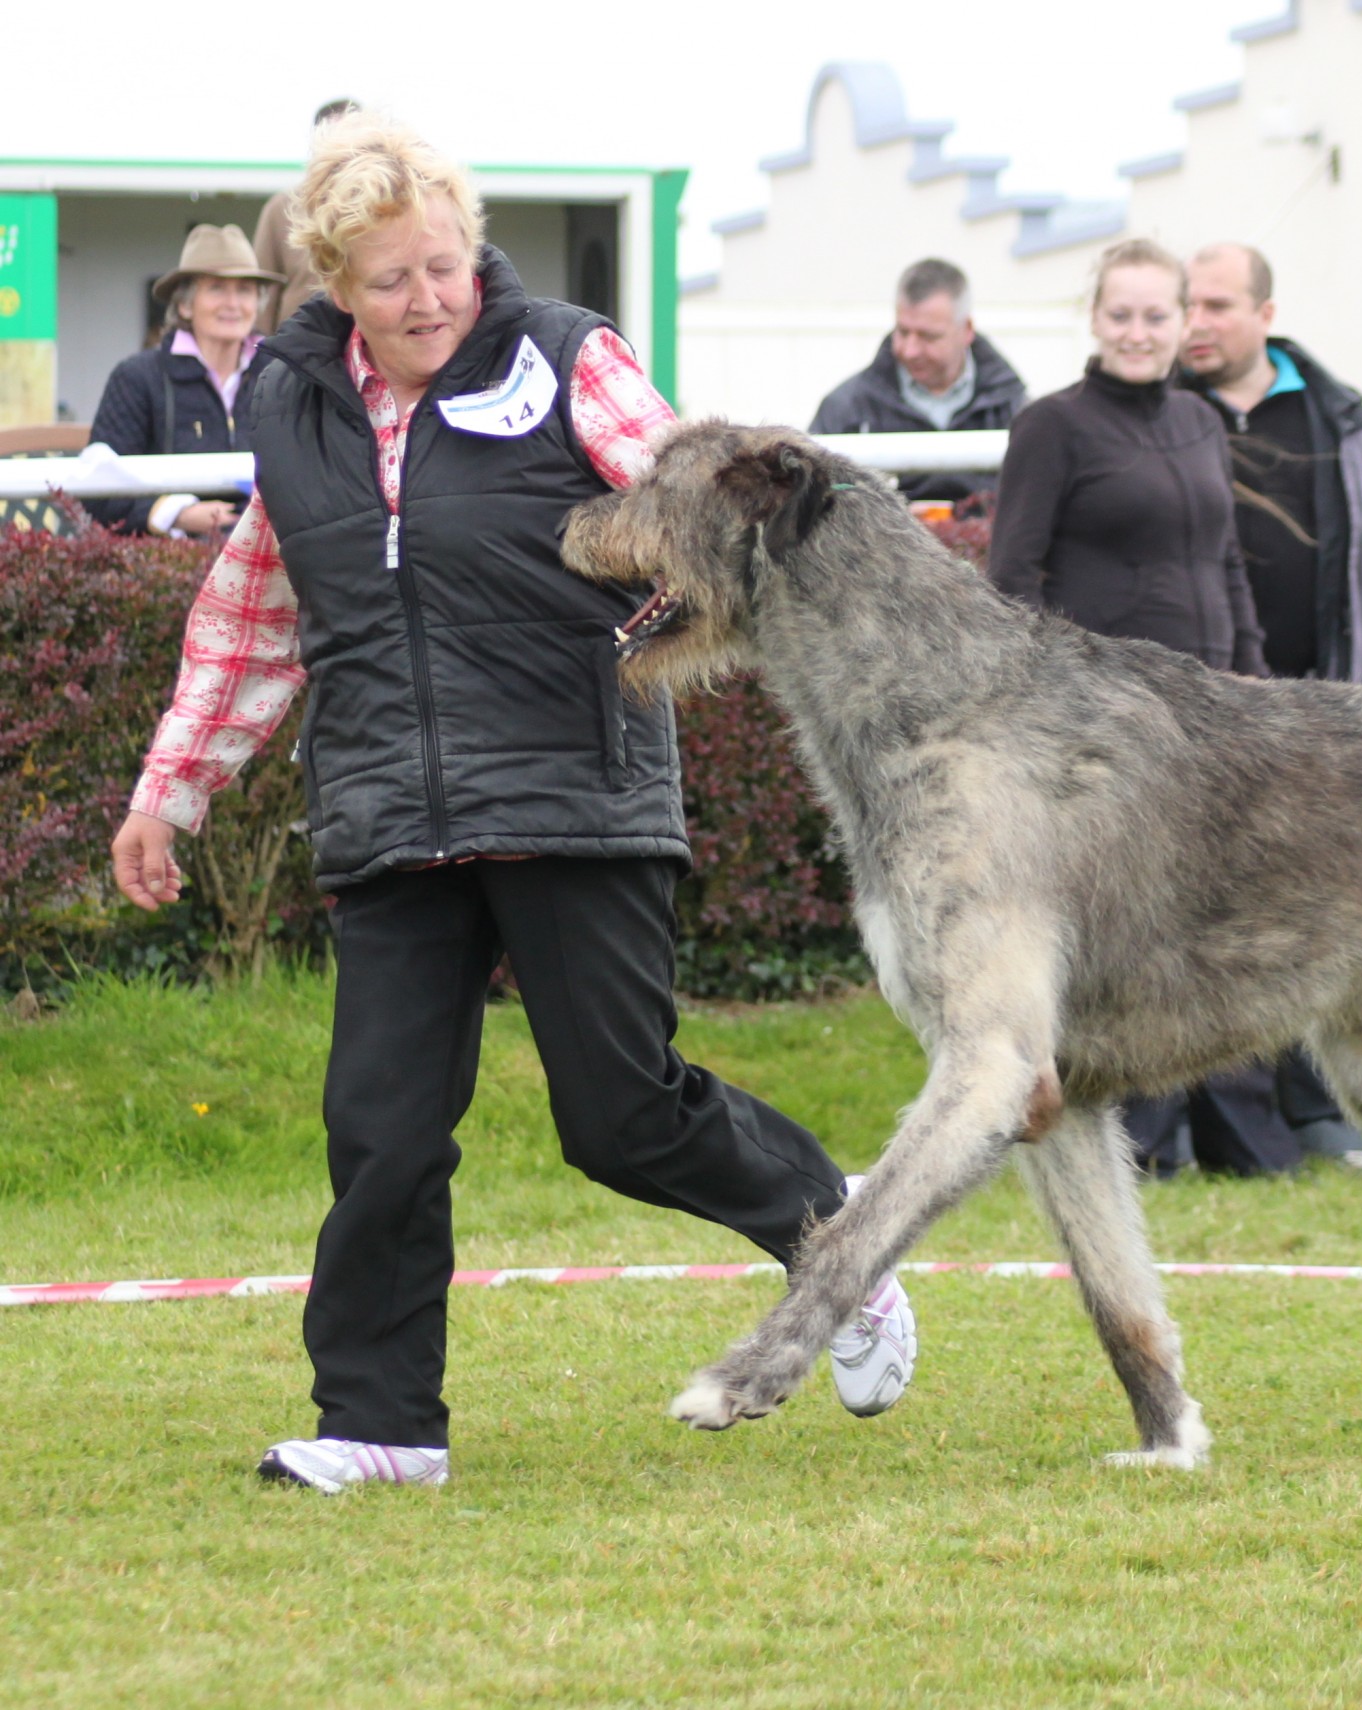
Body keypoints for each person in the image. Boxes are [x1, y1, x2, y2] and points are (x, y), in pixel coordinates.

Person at [108, 115, 916, 1495]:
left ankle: (834, 1238)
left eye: (447, 265)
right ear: (333, 292)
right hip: (386, 806)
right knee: (381, 1128)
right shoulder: (294, 404)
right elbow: (254, 606)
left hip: (571, 785)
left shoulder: (560, 357)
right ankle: (381, 1423)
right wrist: (169, 791)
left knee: (622, 1117)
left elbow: (686, 492)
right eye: (389, 280)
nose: (429, 299)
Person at [989, 237, 1291, 1177]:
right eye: (1120, 314)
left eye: (1157, 315)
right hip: (1108, 728)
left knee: (1225, 919)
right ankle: (1139, 1139)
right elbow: (1011, 580)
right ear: (1095, 319)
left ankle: (1247, 1139)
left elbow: (1226, 560)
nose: (1138, 332)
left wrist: (1252, 677)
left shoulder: (1203, 422)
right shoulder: (1053, 427)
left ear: (1183, 323)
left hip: (1217, 719)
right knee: (1133, 930)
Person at [1178, 240, 1362, 1172]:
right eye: (1187, 306)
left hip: (1328, 726)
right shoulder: (1159, 412)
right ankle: (1205, 1125)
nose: (1195, 324)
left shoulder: (1340, 417)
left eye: (1215, 306)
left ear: (1264, 314)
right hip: (1201, 720)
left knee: (1317, 915)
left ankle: (1319, 1111)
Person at [83, 224, 282, 537]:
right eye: (217, 288)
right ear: (185, 305)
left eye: (244, 290)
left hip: (268, 557)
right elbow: (99, 490)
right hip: (168, 569)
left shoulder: (281, 375)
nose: (233, 303)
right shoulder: (137, 378)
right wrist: (175, 513)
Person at [809, 257, 1027, 503]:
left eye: (928, 336)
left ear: (966, 330)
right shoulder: (846, 410)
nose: (910, 350)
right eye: (902, 332)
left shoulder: (1015, 407)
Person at [253, 98, 359, 334]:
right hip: (299, 345)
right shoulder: (282, 207)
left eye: (353, 136)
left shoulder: (389, 206)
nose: (344, 147)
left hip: (367, 345)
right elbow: (262, 290)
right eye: (334, 137)